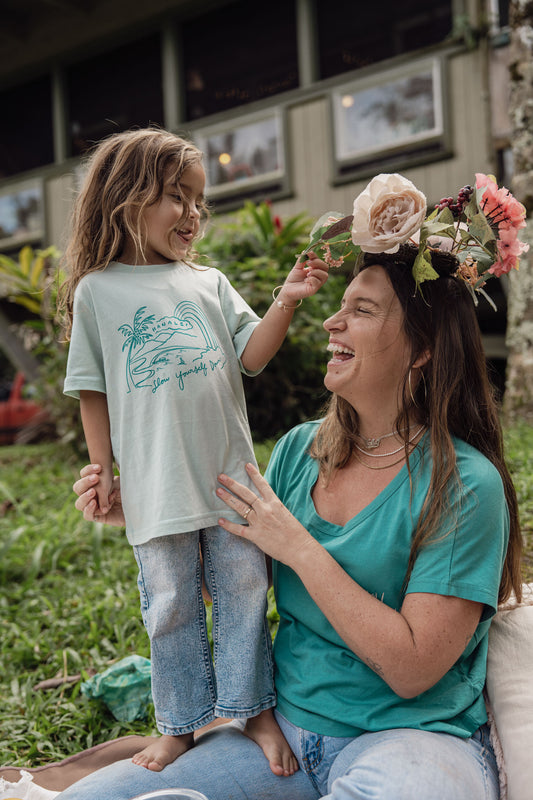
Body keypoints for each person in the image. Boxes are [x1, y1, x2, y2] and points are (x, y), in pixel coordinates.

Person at [59, 191, 523, 799]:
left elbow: (413, 669)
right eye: (339, 306)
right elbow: (233, 586)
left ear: (424, 348)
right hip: (282, 735)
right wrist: (144, 515)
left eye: (360, 310)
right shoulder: (300, 453)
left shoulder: (464, 485)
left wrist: (302, 549)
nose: (331, 322)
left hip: (410, 740)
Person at [60, 127, 330, 776]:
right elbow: (90, 389)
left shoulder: (207, 282)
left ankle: (254, 710)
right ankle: (180, 724)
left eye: (198, 201)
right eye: (175, 197)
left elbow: (251, 355)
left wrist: (285, 302)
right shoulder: (98, 291)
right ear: (127, 198)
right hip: (155, 486)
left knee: (243, 587)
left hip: (230, 480)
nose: (191, 214)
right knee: (172, 606)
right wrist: (103, 470)